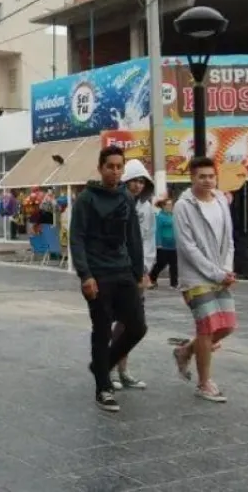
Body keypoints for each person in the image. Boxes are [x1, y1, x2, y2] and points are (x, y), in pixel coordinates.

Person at [68, 145, 148, 412]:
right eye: (110, 166)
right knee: (102, 330)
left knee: (137, 327)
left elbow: (133, 237)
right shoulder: (86, 199)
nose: (115, 171)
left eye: (119, 167)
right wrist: (85, 275)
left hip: (123, 271)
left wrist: (140, 273)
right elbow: (77, 238)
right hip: (98, 275)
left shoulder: (126, 198)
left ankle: (101, 366)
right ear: (100, 168)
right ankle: (103, 386)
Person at [172, 156, 237, 403]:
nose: (208, 180)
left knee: (227, 325)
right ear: (192, 178)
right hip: (195, 277)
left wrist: (226, 270)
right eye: (202, 176)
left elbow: (229, 239)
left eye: (211, 176)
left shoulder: (221, 200)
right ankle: (203, 383)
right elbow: (187, 247)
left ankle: (185, 351)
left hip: (220, 274)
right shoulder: (183, 206)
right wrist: (215, 273)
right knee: (207, 327)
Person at [111, 160, 156, 391]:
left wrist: (145, 268)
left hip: (137, 273)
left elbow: (149, 240)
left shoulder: (146, 208)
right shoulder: (113, 204)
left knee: (132, 323)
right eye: (133, 180)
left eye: (141, 181)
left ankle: (122, 368)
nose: (137, 185)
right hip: (116, 271)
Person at [150, 198, 178, 289]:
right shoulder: (159, 217)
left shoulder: (173, 215)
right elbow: (157, 230)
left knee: (174, 264)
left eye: (171, 205)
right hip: (163, 245)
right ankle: (151, 278)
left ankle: (174, 283)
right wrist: (158, 243)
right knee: (161, 263)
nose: (170, 207)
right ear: (163, 206)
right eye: (168, 205)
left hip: (174, 245)